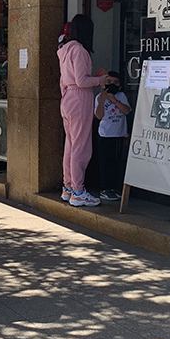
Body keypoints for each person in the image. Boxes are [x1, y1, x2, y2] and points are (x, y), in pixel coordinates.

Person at [58, 14, 111, 208]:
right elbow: (81, 80)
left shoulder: (64, 50)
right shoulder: (80, 50)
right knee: (81, 147)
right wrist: (101, 80)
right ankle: (79, 191)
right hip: (80, 98)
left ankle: (68, 187)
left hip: (67, 98)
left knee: (70, 145)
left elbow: (65, 81)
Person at [94, 71, 132, 202]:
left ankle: (115, 187)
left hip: (119, 134)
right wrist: (103, 100)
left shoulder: (121, 96)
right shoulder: (99, 97)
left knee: (117, 162)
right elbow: (98, 116)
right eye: (109, 82)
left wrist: (114, 100)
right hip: (105, 135)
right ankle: (105, 188)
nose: (112, 85)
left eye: (115, 83)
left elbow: (127, 110)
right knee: (106, 162)